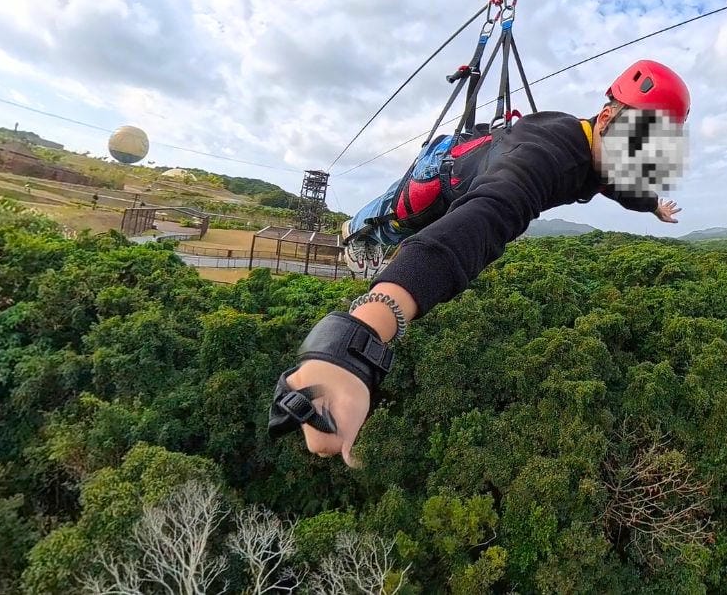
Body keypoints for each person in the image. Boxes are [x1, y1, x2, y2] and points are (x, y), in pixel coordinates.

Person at [269, 59, 691, 465]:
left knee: (410, 219)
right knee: (396, 218)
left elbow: (619, 187)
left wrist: (653, 206)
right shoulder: (545, 158)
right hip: (445, 173)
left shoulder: (607, 156)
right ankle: (355, 232)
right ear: (606, 118)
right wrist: (357, 339)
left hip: (480, 159)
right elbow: (484, 219)